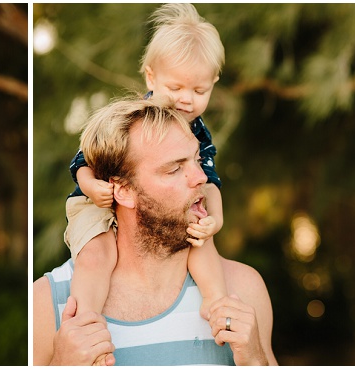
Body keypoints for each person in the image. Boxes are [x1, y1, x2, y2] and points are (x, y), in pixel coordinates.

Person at [33, 97, 277, 365]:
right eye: (174, 168)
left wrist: (255, 359)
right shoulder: (45, 304)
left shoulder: (243, 289)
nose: (201, 177)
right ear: (123, 191)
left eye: (197, 159)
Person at [63, 4, 230, 364]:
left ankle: (217, 303)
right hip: (93, 200)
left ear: (213, 84)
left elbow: (210, 180)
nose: (186, 98)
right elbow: (81, 162)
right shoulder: (129, 121)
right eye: (176, 87)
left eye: (199, 90)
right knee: (97, 254)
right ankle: (86, 323)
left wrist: (213, 219)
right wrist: (92, 186)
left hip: (148, 208)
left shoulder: (197, 132)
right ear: (151, 77)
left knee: (202, 238)